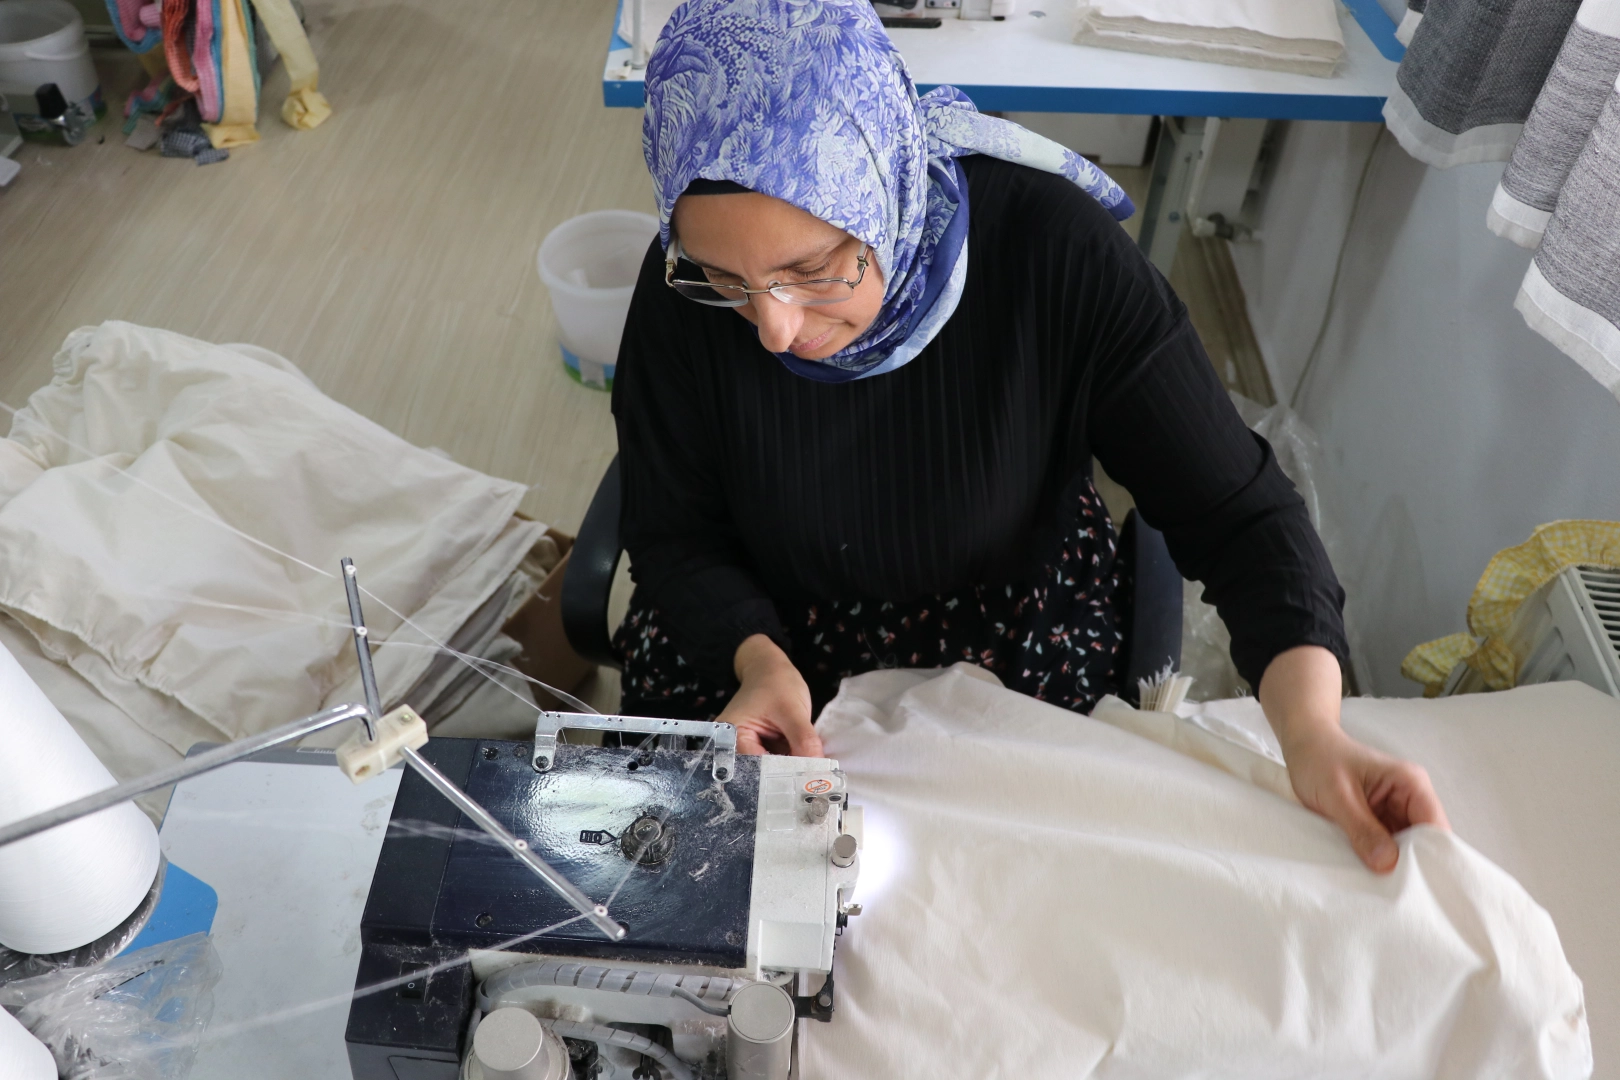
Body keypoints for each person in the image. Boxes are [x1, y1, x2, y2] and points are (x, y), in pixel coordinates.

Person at [608, 0, 1447, 872]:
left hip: (1005, 631)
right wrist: (756, 659)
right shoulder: (681, 290)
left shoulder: (1053, 253)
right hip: (759, 642)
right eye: (727, 281)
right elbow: (673, 533)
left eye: (814, 271)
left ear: (883, 187)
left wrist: (1312, 733)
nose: (775, 329)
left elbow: (1240, 515)